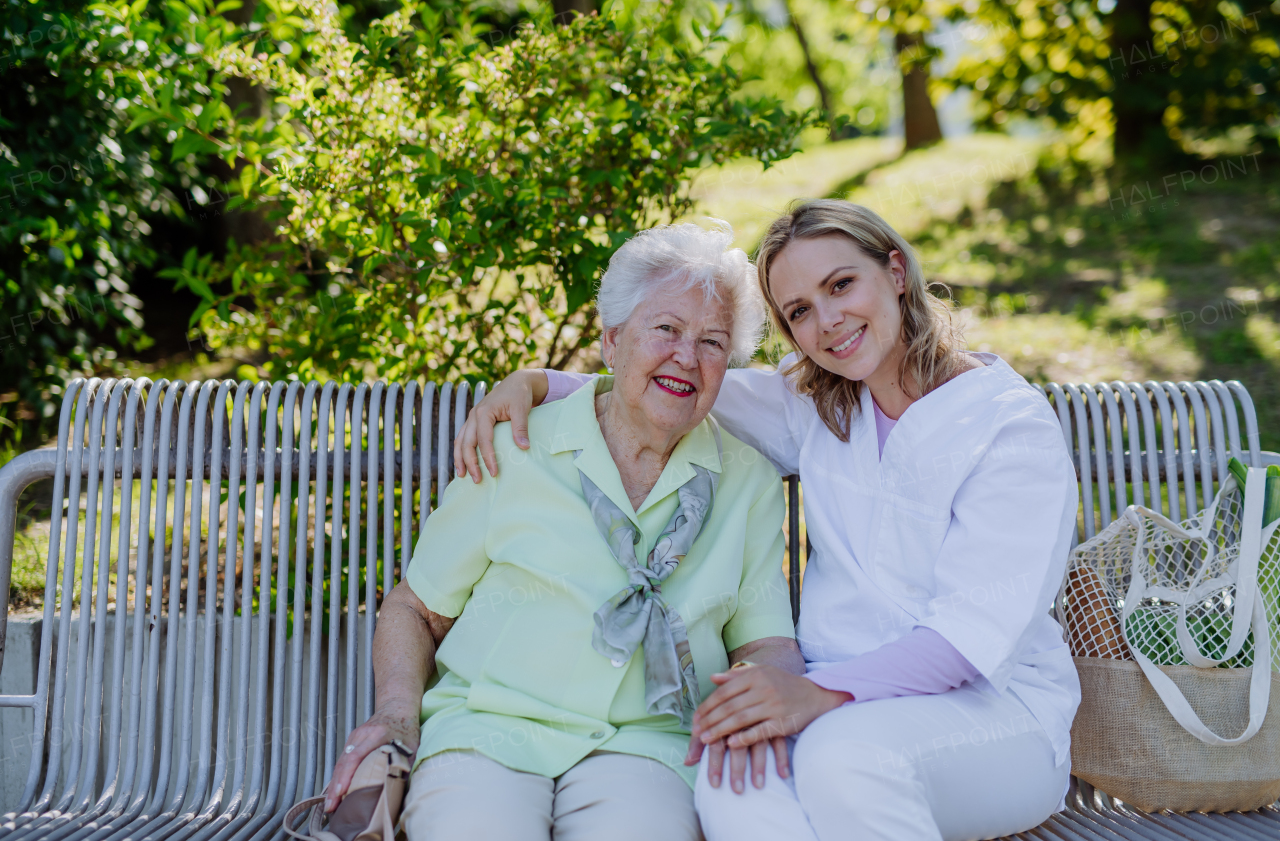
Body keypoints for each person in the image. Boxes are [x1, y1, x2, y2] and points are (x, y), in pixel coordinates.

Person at [454, 199, 1081, 841]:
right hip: (825, 709)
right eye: (800, 311)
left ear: (895, 271)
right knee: (731, 786)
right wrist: (533, 383)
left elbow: (969, 639)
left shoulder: (1007, 427)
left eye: (841, 284)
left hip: (992, 716)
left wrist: (814, 695)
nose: (829, 322)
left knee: (852, 761)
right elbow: (678, 382)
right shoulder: (819, 405)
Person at [325, 220, 802, 841]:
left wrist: (759, 701)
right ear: (612, 342)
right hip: (488, 730)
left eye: (713, 342)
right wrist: (395, 714)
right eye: (666, 329)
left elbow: (765, 644)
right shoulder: (514, 448)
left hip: (650, 745)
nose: (687, 356)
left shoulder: (748, 482)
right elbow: (417, 608)